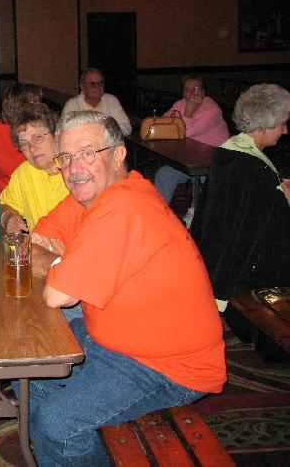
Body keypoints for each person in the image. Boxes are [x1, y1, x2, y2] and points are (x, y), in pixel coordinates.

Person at [25, 110, 226, 466]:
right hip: (114, 340)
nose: (74, 168)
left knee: (57, 423)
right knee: (32, 366)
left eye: (88, 153)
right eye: (66, 157)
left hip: (167, 365)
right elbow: (31, 244)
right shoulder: (87, 199)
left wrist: (61, 264)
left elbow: (57, 295)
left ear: (118, 154)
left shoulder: (124, 203)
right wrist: (67, 262)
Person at [192, 83, 290, 340]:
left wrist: (277, 190)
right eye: (282, 124)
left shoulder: (230, 150)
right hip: (252, 275)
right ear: (265, 123)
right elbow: (258, 229)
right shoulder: (253, 169)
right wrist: (283, 198)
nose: (285, 130)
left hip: (217, 260)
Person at [154, 76, 230, 205]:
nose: (191, 93)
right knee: (164, 175)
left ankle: (196, 215)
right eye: (187, 89)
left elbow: (186, 132)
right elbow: (163, 123)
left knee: (201, 180)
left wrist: (188, 112)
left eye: (195, 89)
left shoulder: (211, 110)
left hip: (215, 161)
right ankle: (158, 213)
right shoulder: (179, 104)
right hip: (189, 158)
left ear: (203, 92)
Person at [0, 104, 68, 233]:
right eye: (24, 144)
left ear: (56, 134)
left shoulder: (76, 169)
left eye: (37, 137)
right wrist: (8, 218)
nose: (32, 148)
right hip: (37, 245)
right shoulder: (25, 172)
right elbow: (3, 205)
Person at [62, 68, 132, 136]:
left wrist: (107, 134)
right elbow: (65, 132)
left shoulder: (111, 101)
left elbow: (126, 126)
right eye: (92, 84)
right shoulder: (72, 105)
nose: (98, 87)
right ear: (82, 86)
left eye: (100, 83)